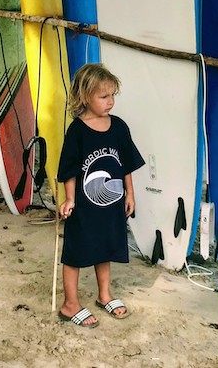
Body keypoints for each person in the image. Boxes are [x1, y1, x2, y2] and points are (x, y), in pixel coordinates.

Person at [57, 63, 145, 328]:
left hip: (112, 203)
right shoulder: (77, 131)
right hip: (84, 206)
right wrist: (69, 199)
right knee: (75, 252)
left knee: (105, 247)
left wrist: (130, 193)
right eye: (103, 96)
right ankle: (70, 303)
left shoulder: (118, 127)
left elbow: (126, 163)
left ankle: (104, 295)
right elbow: (69, 170)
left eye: (112, 95)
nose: (110, 102)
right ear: (85, 97)